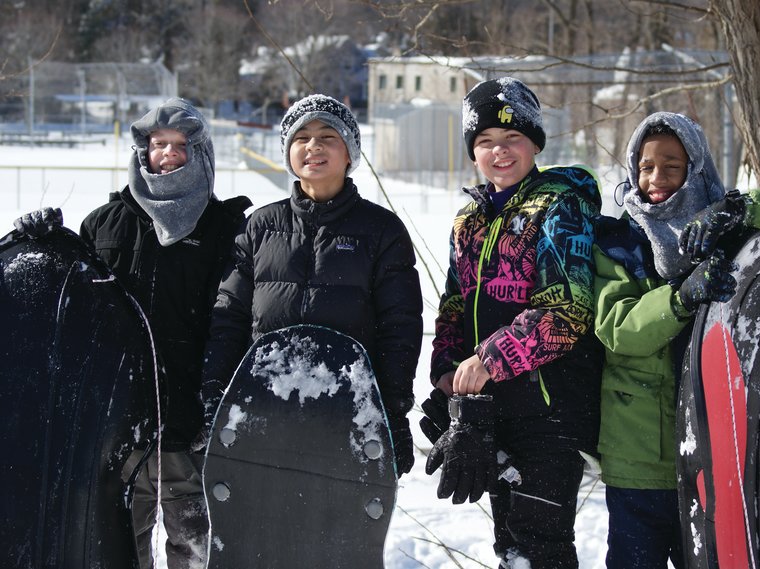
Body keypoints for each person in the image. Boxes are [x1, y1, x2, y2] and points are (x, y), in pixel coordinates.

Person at [14, 97, 251, 569]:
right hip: (120, 422)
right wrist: (40, 242)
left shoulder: (226, 229)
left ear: (200, 153)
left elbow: (238, 319)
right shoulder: (105, 224)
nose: (166, 154)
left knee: (196, 543)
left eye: (179, 145)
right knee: (122, 542)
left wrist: (217, 400)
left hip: (193, 420)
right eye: (157, 144)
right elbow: (73, 303)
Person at [593, 111, 760, 569]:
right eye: (645, 166)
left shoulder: (728, 232)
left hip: (718, 453)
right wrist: (680, 298)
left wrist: (742, 208)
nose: (656, 178)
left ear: (695, 168)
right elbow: (617, 329)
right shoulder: (617, 240)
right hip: (638, 459)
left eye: (672, 165)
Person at [423, 77, 603, 569]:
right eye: (485, 142)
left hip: (551, 409)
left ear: (534, 144)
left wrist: (486, 360)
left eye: (512, 139)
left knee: (540, 545)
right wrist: (447, 374)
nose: (498, 152)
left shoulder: (559, 206)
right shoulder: (469, 220)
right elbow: (454, 302)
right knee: (509, 546)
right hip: (492, 409)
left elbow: (566, 311)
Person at [201, 94, 423, 478]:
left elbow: (399, 328)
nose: (313, 146)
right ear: (288, 152)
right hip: (264, 410)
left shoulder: (381, 230)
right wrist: (215, 396)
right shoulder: (259, 227)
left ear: (350, 153)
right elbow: (230, 317)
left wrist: (392, 412)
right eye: (301, 137)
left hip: (349, 414)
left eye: (327, 137)